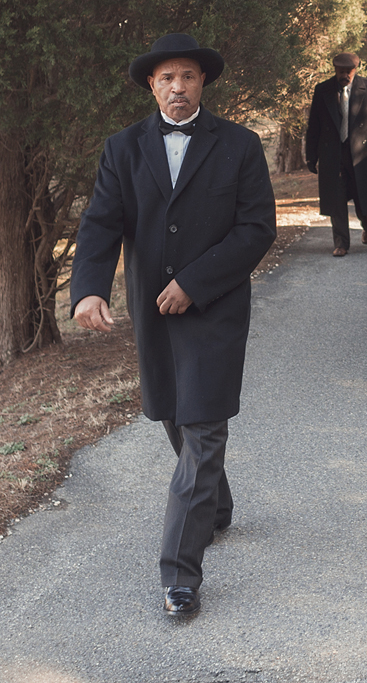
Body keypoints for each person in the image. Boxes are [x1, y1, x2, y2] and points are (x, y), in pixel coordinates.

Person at [70, 33, 276, 618]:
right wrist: (87, 288)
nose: (178, 87)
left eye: (187, 76)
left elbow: (256, 228)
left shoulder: (239, 145)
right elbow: (101, 222)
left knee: (204, 426)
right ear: (152, 86)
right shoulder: (123, 148)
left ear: (202, 82)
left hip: (214, 309)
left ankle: (179, 574)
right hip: (152, 311)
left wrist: (196, 281)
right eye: (166, 78)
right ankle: (214, 504)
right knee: (171, 413)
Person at [305, 52, 367, 257]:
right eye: (340, 71)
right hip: (332, 154)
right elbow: (314, 127)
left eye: (348, 71)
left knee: (365, 201)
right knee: (336, 200)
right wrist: (311, 156)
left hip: (363, 154)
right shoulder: (322, 90)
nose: (344, 75)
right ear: (334, 70)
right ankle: (341, 244)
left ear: (356, 69)